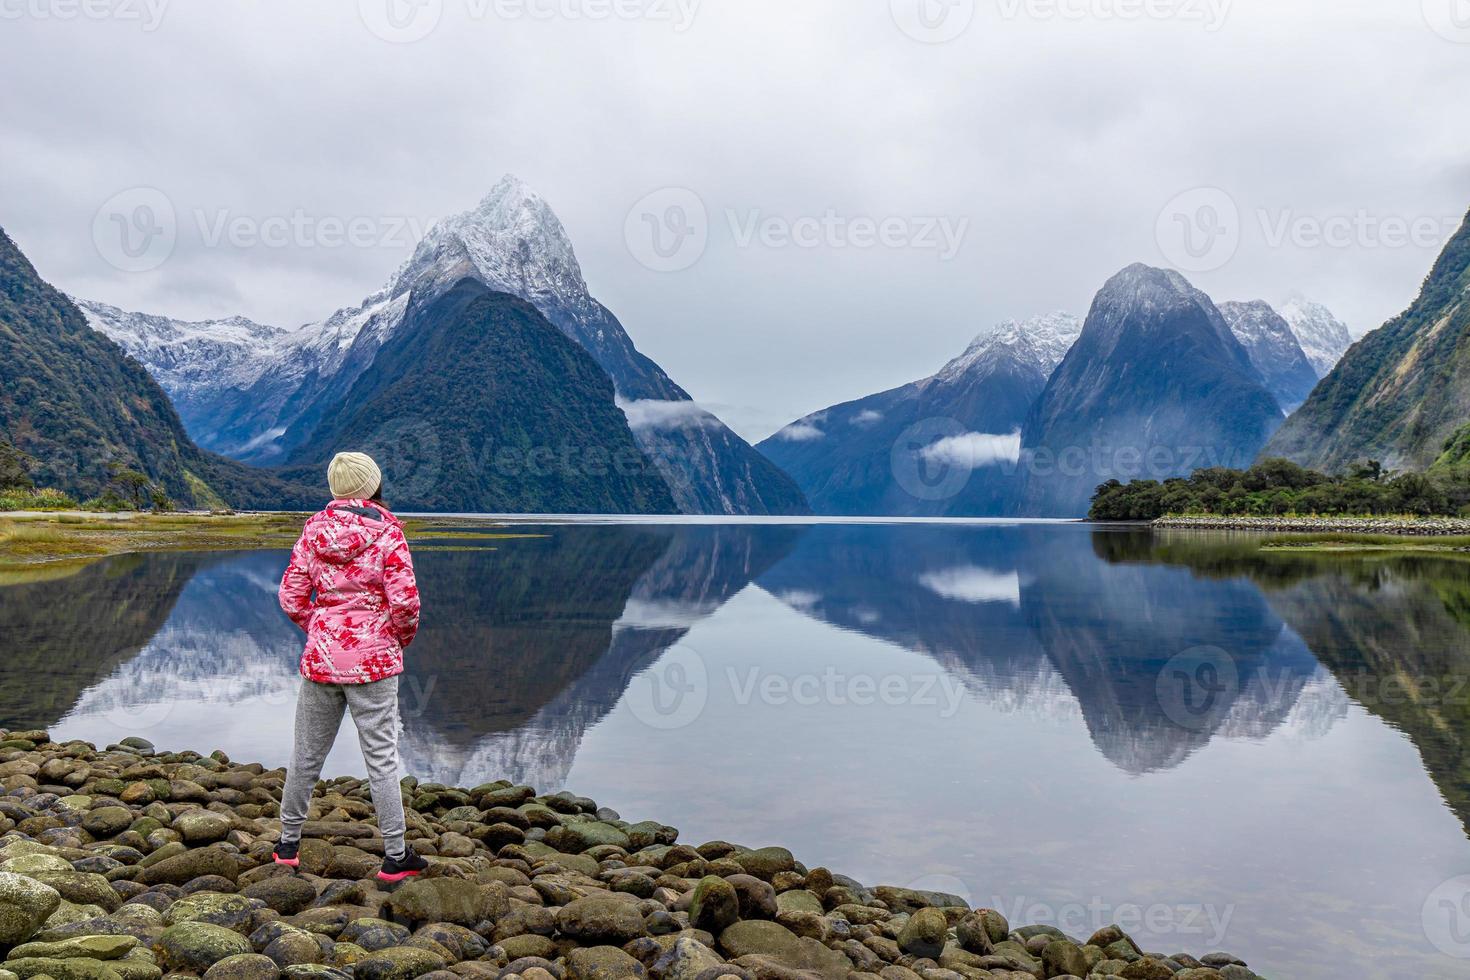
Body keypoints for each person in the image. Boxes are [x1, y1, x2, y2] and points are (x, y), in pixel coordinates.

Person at [273, 451, 428, 882]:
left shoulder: (312, 531)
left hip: (321, 659)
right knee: (380, 758)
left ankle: (287, 846)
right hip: (374, 663)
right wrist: (395, 639)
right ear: (373, 485)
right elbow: (406, 603)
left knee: (305, 753)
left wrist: (320, 628)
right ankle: (396, 856)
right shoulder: (389, 533)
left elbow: (290, 597)